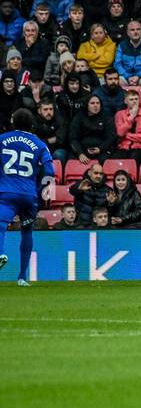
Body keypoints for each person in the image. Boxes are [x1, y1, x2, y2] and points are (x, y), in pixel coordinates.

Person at [0, 109, 55, 287]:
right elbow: (50, 171)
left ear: (12, 121)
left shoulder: (2, 139)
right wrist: (42, 193)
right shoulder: (39, 144)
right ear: (31, 124)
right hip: (28, 195)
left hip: (6, 192)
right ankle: (22, 277)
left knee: (0, 224)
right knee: (27, 231)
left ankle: (0, 253)